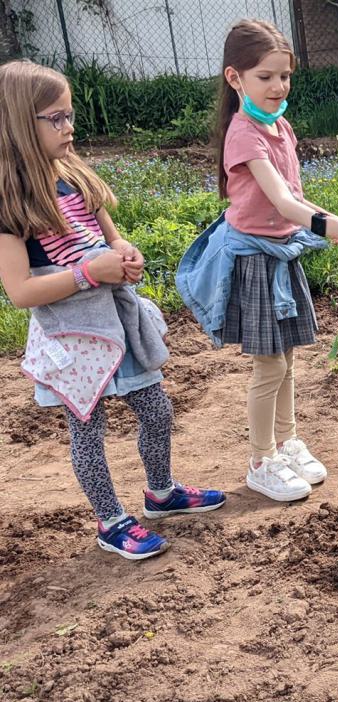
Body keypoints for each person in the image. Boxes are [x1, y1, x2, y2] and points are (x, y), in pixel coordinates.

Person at [0, 60, 226, 560]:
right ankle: (111, 521)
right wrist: (88, 274)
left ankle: (161, 493)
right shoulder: (10, 199)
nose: (69, 127)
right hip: (73, 337)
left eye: (69, 115)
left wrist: (126, 255)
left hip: (117, 322)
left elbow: (111, 236)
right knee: (87, 428)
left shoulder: (75, 176)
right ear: (19, 122)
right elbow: (19, 291)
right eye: (54, 119)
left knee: (157, 408)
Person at [176, 20, 338, 504]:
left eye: (284, 76)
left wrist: (335, 224)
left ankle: (287, 442)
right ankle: (261, 460)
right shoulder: (244, 135)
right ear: (234, 78)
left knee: (284, 361)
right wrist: (335, 226)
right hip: (255, 261)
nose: (278, 86)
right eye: (265, 76)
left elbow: (295, 200)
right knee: (268, 366)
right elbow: (283, 203)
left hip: (282, 254)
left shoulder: (279, 125)